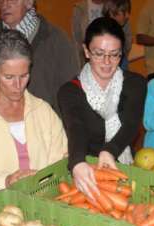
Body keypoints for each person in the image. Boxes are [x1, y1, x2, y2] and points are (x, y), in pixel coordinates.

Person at [0, 29, 68, 198]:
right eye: (9, 77)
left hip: (45, 202)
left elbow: (60, 162)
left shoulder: (43, 111)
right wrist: (5, 181)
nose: (18, 86)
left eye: (24, 75)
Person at [58, 17, 146, 199]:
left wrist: (109, 151)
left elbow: (130, 124)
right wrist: (76, 163)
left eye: (114, 54)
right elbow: (76, 127)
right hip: (87, 171)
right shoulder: (70, 91)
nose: (107, 62)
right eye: (99, 53)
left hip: (124, 167)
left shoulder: (135, 83)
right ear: (86, 51)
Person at [0, 0, 79, 112]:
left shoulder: (56, 39)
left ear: (29, 2)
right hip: (1, 122)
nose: (5, 4)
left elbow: (71, 94)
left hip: (46, 123)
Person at [72, 0, 105, 66]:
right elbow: (76, 39)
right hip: (86, 59)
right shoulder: (79, 8)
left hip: (107, 56)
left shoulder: (112, 5)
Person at [102, 0, 132, 71]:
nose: (127, 16)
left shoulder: (123, 27)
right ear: (112, 12)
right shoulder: (101, 32)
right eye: (124, 11)